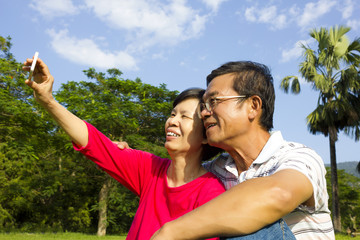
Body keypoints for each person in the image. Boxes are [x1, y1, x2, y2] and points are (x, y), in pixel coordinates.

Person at [23, 57, 226, 240]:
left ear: (206, 135)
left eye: (185, 117)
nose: (172, 121)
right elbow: (94, 143)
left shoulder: (211, 192)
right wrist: (48, 101)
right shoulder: (150, 169)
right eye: (173, 114)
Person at [150, 61, 335, 240]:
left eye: (214, 101)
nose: (205, 113)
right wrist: (123, 148)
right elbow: (177, 184)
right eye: (204, 106)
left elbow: (280, 193)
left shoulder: (298, 156)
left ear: (253, 106)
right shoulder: (214, 171)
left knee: (249, 220)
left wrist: (171, 232)